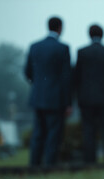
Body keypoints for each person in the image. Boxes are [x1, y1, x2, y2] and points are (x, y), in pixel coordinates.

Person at [24, 16, 72, 168]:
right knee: (53, 133)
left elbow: (27, 71)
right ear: (60, 28)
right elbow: (66, 77)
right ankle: (50, 165)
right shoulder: (63, 48)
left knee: (38, 133)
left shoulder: (34, 46)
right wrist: (68, 102)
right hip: (56, 98)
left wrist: (38, 84)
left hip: (38, 96)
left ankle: (34, 164)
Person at [73, 24, 104, 164]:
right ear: (103, 35)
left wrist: (80, 94)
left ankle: (90, 161)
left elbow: (76, 76)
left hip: (87, 99)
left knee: (88, 130)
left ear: (89, 35)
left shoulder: (82, 52)